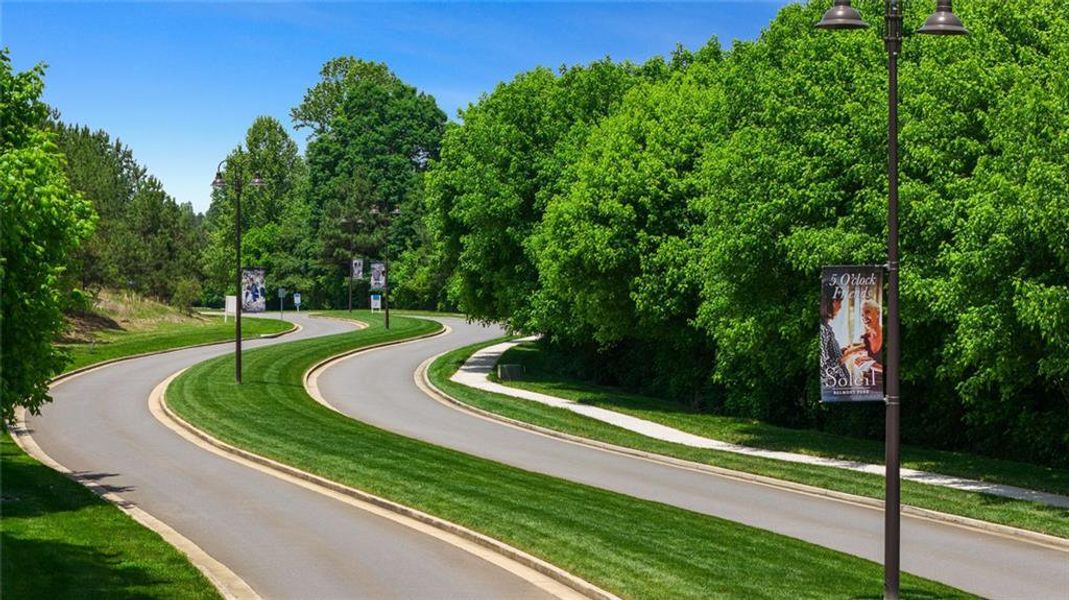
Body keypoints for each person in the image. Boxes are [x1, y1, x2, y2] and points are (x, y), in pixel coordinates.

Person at [820, 280, 849, 389]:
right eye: (838, 301)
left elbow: (829, 356)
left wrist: (841, 352)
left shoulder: (827, 329)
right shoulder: (823, 330)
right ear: (829, 302)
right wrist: (845, 357)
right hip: (834, 392)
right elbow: (824, 368)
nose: (840, 306)